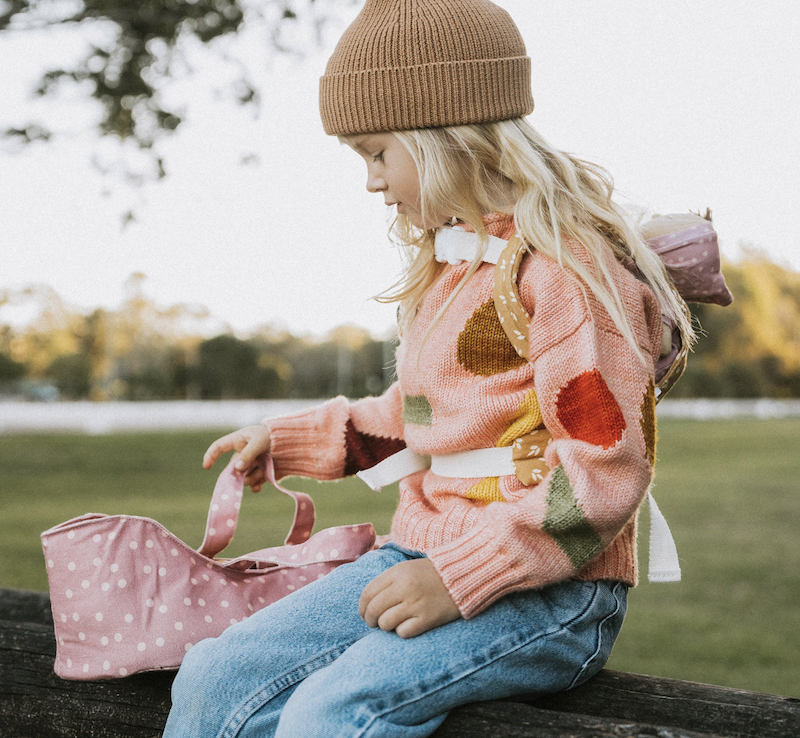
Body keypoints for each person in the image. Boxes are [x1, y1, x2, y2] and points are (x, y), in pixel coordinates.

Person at [162, 1, 698, 736]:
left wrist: (456, 576)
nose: (373, 182)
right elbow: (418, 418)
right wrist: (285, 440)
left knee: (334, 711)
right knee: (214, 675)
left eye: (378, 153)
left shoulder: (567, 276)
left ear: (447, 137)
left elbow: (604, 469)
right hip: (423, 550)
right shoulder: (454, 267)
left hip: (550, 589)